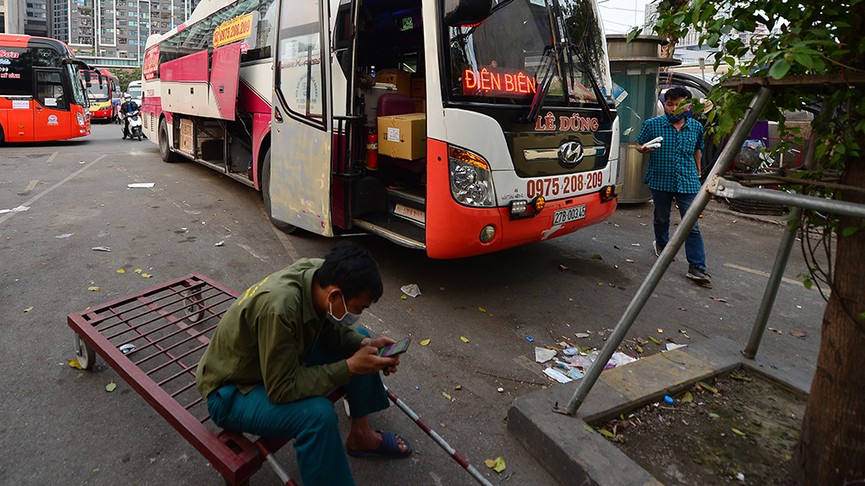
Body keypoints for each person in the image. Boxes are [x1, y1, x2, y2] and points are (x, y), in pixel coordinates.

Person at [196, 243, 412, 486]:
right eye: (358, 308)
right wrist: (349, 367)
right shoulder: (280, 309)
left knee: (359, 343)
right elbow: (281, 389)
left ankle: (360, 436)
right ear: (334, 295)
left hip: (272, 362)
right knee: (317, 416)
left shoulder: (320, 276)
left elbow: (328, 330)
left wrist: (367, 343)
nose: (358, 313)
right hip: (232, 391)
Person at [636, 86, 711, 286]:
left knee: (691, 224)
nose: (674, 108)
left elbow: (698, 150)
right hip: (661, 179)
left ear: (688, 105)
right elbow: (639, 144)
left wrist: (698, 170)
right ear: (665, 105)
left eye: (679, 104)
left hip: (687, 180)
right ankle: (661, 242)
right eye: (670, 104)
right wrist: (643, 149)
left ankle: (697, 267)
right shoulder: (652, 125)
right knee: (662, 217)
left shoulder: (695, 127)